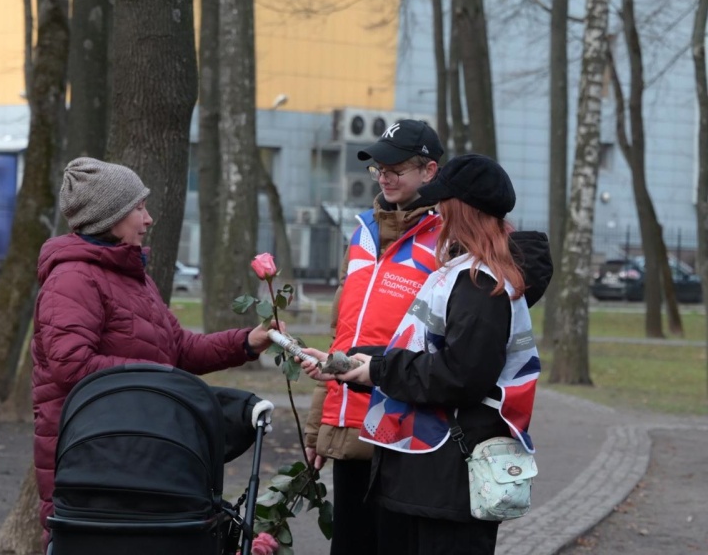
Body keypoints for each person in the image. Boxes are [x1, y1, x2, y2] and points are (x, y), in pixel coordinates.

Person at [304, 153, 549, 555]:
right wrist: (354, 364)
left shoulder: (481, 285)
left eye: (443, 202)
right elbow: (423, 351)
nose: (437, 211)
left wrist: (378, 369)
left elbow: (461, 376)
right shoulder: (463, 273)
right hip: (426, 474)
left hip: (445, 475)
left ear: (462, 210)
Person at [31, 157, 278, 546]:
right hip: (92, 459)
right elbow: (72, 366)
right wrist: (159, 383)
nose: (148, 219)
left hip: (133, 446)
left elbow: (176, 350)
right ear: (108, 216)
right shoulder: (73, 278)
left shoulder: (131, 277)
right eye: (139, 208)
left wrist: (246, 342)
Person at [303, 119, 446, 555]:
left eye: (396, 168)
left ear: (430, 171)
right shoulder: (362, 233)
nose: (384, 177)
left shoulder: (448, 239)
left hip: (409, 430)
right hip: (350, 427)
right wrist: (318, 427)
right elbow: (342, 337)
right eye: (378, 168)